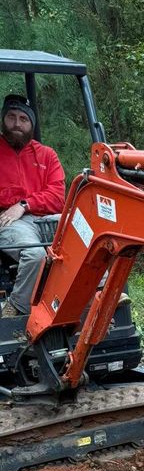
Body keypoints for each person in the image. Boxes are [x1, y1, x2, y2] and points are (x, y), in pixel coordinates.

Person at [0, 94, 65, 317]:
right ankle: (16, 308)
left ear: (31, 124)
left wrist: (24, 204)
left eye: (23, 119)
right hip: (11, 222)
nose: (17, 123)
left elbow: (57, 197)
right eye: (11, 117)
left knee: (85, 233)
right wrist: (14, 207)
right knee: (36, 254)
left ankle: (100, 290)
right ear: (3, 119)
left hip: (45, 218)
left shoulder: (47, 155)